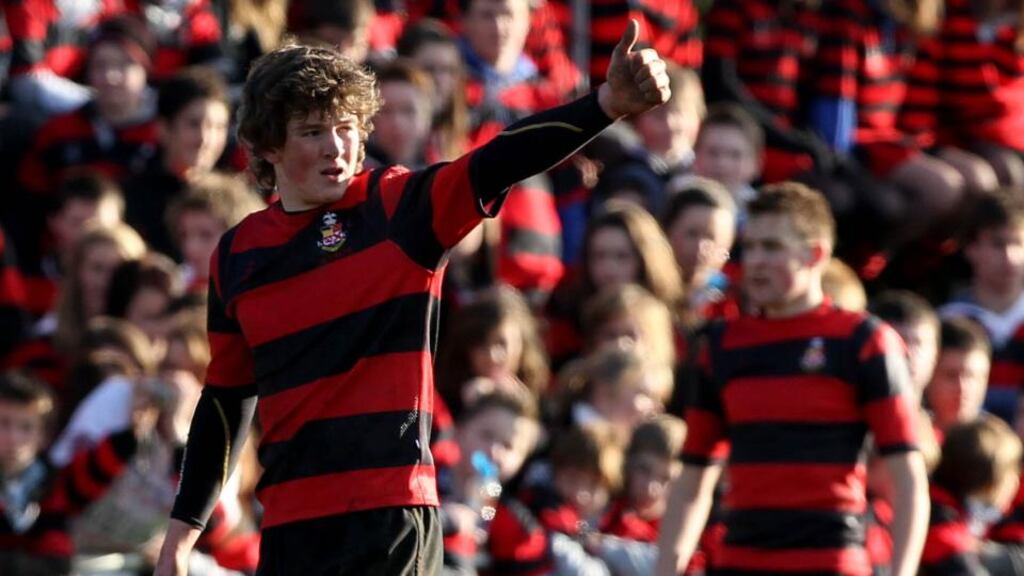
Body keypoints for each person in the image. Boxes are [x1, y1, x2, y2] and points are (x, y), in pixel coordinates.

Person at [155, 20, 672, 575]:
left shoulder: (397, 207)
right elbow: (225, 404)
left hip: (391, 516)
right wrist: (182, 534)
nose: (337, 147)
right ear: (269, 147)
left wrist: (605, 104)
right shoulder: (238, 254)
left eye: (347, 127)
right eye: (311, 132)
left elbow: (500, 160)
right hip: (291, 526)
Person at [655, 182, 930, 575]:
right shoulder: (720, 346)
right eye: (750, 247)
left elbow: (907, 478)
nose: (756, 261)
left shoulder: (864, 341)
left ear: (814, 254)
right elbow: (694, 477)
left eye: (772, 248)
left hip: (830, 563)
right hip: (740, 562)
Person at [925, 318, 993, 437]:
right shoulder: (906, 438)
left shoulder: (1001, 446)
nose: (962, 387)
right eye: (951, 375)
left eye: (972, 376)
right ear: (929, 375)